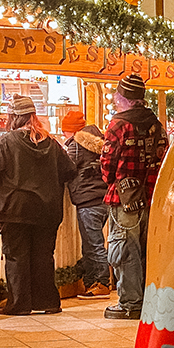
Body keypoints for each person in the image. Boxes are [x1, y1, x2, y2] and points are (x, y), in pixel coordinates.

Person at [0, 96, 76, 316]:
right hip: (47, 210)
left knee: (16, 256)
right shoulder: (51, 143)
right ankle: (48, 302)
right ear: (34, 115)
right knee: (44, 255)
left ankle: (20, 304)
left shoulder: (7, 142)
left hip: (14, 208)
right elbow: (69, 170)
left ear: (13, 117)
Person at [100, 74, 169, 320]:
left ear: (122, 97)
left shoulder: (118, 125)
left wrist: (115, 182)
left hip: (125, 199)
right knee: (146, 250)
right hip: (152, 197)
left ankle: (130, 303)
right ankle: (148, 300)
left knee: (124, 250)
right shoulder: (156, 124)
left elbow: (107, 166)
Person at [63, 110, 110, 299]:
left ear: (72, 131)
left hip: (88, 200)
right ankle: (92, 282)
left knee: (93, 244)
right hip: (103, 198)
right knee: (92, 243)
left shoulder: (75, 146)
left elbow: (66, 169)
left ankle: (102, 283)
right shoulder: (99, 142)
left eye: (65, 131)